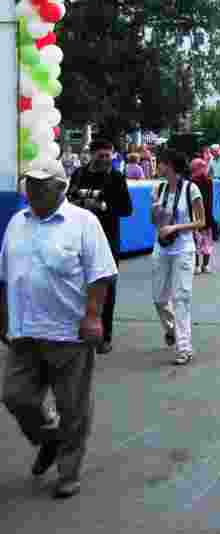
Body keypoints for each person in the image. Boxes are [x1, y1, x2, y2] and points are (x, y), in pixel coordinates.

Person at [1, 158, 117, 499]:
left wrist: (93, 317)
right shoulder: (17, 222)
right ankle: (49, 437)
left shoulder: (83, 222)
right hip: (24, 330)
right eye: (30, 183)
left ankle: (69, 471)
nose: (33, 189)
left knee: (73, 407)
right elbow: (5, 275)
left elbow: (100, 275)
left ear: (61, 187)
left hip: (69, 333)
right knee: (16, 396)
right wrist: (2, 316)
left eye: (41, 183)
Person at [65, 138, 132, 354]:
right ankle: (78, 330)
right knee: (77, 285)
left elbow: (127, 209)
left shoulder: (116, 177)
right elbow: (68, 200)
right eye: (101, 155)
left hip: (106, 240)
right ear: (92, 154)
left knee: (106, 287)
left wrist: (102, 206)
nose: (105, 160)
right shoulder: (79, 174)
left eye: (108, 156)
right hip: (78, 239)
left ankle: (104, 335)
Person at [151, 150, 206, 365]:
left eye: (161, 163)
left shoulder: (191, 189)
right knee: (159, 299)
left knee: (181, 298)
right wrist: (156, 211)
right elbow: (154, 221)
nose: (158, 167)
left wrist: (176, 227)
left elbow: (201, 221)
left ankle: (184, 348)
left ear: (170, 166)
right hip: (162, 248)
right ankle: (172, 329)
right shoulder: (159, 188)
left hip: (183, 248)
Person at [190, 158, 216, 275]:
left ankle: (196, 266)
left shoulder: (191, 181)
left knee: (196, 242)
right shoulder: (209, 181)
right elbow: (210, 200)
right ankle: (205, 265)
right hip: (207, 215)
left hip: (195, 215)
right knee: (207, 242)